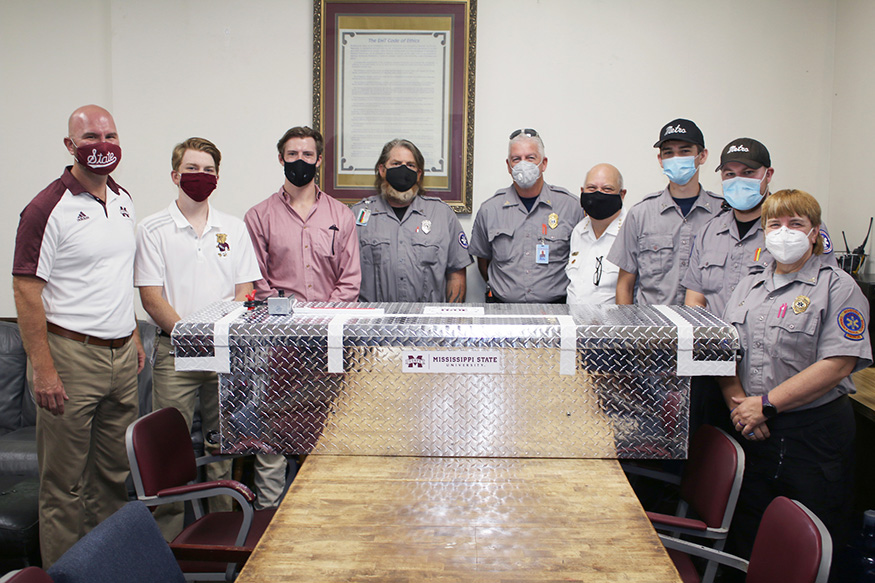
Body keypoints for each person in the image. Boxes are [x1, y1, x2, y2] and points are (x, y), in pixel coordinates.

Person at [11, 105, 143, 566]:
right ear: (70, 146)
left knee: (111, 476)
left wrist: (134, 336)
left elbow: (114, 275)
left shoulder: (124, 198)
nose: (101, 144)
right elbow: (26, 291)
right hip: (71, 357)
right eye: (90, 136)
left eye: (109, 134)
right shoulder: (47, 207)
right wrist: (43, 369)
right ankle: (67, 575)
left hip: (122, 356)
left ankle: (103, 569)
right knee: (64, 484)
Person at [721, 189, 871, 579]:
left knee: (809, 545)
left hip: (811, 437)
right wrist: (740, 406)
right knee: (748, 537)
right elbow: (722, 350)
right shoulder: (747, 285)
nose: (783, 233)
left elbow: (839, 363)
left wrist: (765, 404)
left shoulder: (838, 287)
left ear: (815, 232)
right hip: (751, 430)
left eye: (795, 224)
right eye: (775, 225)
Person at [134, 137, 262, 539]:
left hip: (224, 355)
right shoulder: (152, 228)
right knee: (169, 453)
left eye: (208, 170)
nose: (200, 177)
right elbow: (151, 298)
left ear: (218, 178)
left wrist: (216, 337)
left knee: (223, 450)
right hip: (177, 354)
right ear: (175, 175)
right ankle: (168, 545)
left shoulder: (234, 228)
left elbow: (245, 292)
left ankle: (224, 535)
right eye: (192, 169)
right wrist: (191, 337)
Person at [244, 125, 360, 508]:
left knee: (327, 432)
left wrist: (320, 323)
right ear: (281, 159)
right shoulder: (259, 216)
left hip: (329, 344)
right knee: (273, 434)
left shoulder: (340, 215)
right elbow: (256, 282)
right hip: (278, 346)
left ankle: (322, 510)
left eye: (307, 155)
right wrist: (292, 324)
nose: (300, 162)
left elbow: (349, 281)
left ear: (319, 160)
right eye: (292, 155)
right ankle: (268, 517)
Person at [684, 137, 836, 317]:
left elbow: (826, 291)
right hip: (717, 341)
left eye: (748, 173)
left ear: (768, 174)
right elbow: (694, 300)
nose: (738, 181)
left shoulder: (797, 230)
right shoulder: (709, 232)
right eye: (730, 174)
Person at [608, 118, 722, 305]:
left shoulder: (722, 214)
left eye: (685, 152)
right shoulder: (641, 214)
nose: (676, 158)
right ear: (660, 160)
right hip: (651, 329)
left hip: (705, 330)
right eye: (669, 153)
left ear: (702, 156)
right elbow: (624, 286)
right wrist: (629, 332)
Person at [469, 128, 583, 303]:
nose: (524, 164)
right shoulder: (490, 209)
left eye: (530, 158)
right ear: (509, 166)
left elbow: (582, 259)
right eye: (517, 159)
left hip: (556, 310)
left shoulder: (571, 207)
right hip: (503, 310)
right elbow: (483, 261)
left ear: (543, 163)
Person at [352, 139, 471, 302]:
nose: (403, 169)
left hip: (428, 323)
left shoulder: (442, 215)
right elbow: (344, 275)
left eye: (410, 165)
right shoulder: (358, 215)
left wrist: (451, 317)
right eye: (395, 164)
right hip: (374, 323)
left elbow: (456, 272)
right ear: (382, 170)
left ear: (419, 174)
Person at [566, 163, 627, 304]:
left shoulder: (630, 232)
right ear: (582, 191)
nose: (598, 194)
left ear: (622, 194)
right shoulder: (579, 230)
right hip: (574, 322)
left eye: (607, 189)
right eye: (592, 188)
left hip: (613, 324)